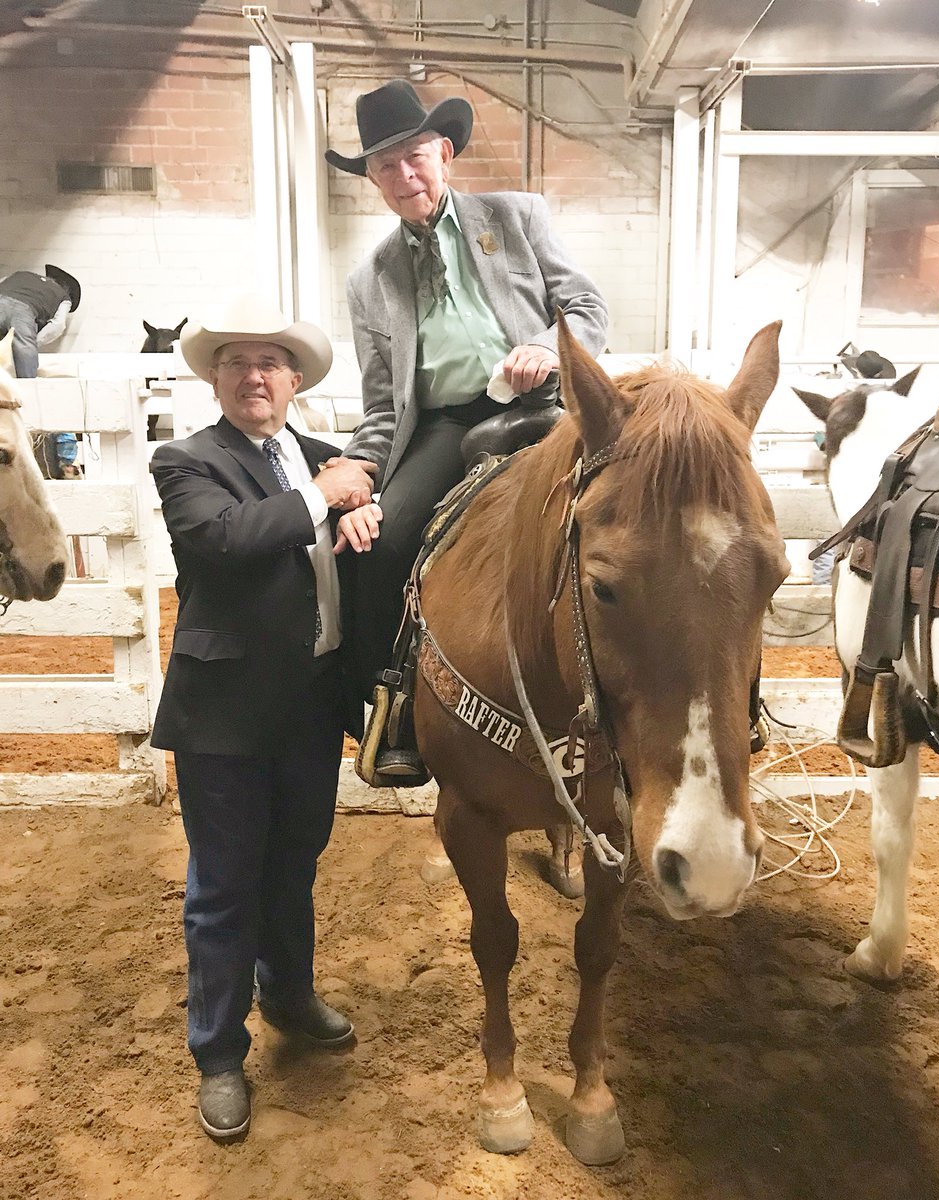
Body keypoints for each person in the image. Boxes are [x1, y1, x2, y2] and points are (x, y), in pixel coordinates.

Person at [325, 78, 609, 778]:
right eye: (385, 166)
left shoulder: (516, 217)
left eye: (414, 156)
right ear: (372, 180)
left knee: (622, 525)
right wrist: (361, 470)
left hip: (539, 408)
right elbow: (384, 403)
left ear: (444, 152)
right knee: (379, 545)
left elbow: (585, 304)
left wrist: (547, 346)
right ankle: (393, 712)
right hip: (444, 425)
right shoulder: (370, 281)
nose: (403, 175)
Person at [149, 295, 381, 1142]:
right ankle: (216, 1055)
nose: (255, 375)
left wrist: (356, 501)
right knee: (223, 888)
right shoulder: (187, 462)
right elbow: (224, 541)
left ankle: (287, 995)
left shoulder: (326, 458)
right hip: (225, 716)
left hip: (310, 708)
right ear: (216, 378)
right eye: (238, 361)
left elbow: (359, 502)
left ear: (294, 383)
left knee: (293, 865)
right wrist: (327, 497)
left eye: (271, 363)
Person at [0, 263, 80, 379]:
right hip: (23, 310)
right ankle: (28, 390)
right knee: (25, 350)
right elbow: (58, 325)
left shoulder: (22, 274)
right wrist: (34, 342)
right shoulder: (64, 297)